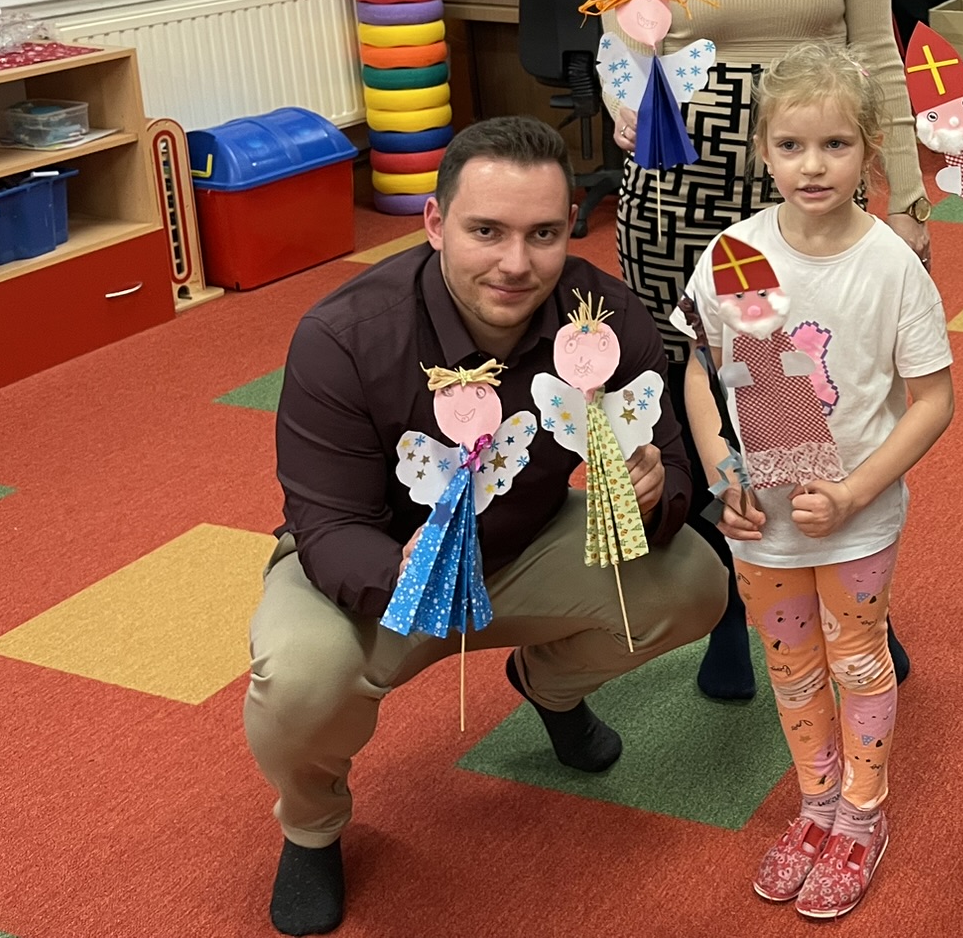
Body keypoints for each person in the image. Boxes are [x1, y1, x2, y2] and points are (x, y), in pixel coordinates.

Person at [243, 118, 727, 936]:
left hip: (527, 543)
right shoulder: (345, 336)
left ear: (570, 225)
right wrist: (409, 583)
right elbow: (327, 523)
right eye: (486, 232)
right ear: (435, 223)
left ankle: (550, 688)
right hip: (375, 572)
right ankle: (313, 826)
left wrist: (655, 490)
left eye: (542, 234)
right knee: (299, 677)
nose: (515, 263)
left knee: (694, 582)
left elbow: (675, 465)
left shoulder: (600, 318)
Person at [600, 0, 932, 700]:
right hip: (683, 190)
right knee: (705, 389)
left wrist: (909, 199)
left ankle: (851, 593)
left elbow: (876, 55)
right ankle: (733, 604)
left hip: (815, 175)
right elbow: (624, 55)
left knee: (813, 385)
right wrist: (625, 102)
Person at [682, 43, 954, 919]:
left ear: (868, 150)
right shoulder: (734, 253)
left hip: (855, 519)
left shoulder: (892, 265)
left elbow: (934, 402)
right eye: (792, 145)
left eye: (835, 145)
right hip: (760, 518)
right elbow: (701, 368)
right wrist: (720, 469)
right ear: (763, 150)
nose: (812, 165)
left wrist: (856, 491)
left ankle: (863, 814)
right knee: (791, 666)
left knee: (858, 659)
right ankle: (817, 802)